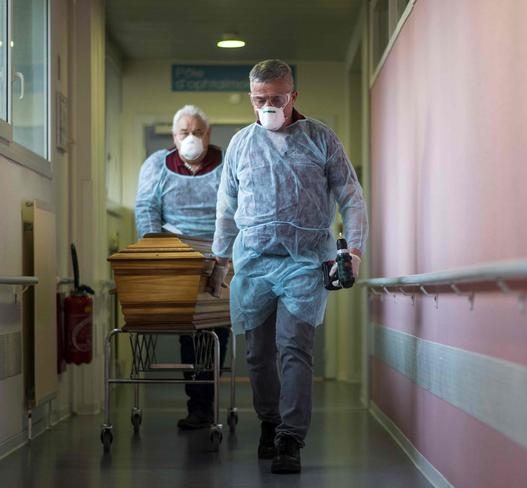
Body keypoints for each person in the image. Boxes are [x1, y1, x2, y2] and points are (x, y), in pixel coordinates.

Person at [211, 59, 368, 473]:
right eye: (260, 100)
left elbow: (351, 196)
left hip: (303, 262)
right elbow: (226, 208)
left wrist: (353, 251)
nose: (268, 107)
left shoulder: (321, 139)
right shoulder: (241, 145)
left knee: (294, 347)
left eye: (276, 99)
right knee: (257, 354)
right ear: (251, 98)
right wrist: (220, 257)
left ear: (293, 96)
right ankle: (270, 420)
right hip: (254, 264)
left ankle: (290, 438)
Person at [135, 104, 230, 430]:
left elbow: (239, 210)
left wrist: (226, 255)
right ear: (174, 136)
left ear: (209, 133)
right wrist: (152, 253)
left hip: (220, 257)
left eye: (198, 132)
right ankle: (199, 406)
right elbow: (147, 208)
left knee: (217, 329)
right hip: (176, 259)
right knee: (189, 333)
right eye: (184, 133)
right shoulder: (157, 166)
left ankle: (208, 401)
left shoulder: (226, 164)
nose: (191, 138)